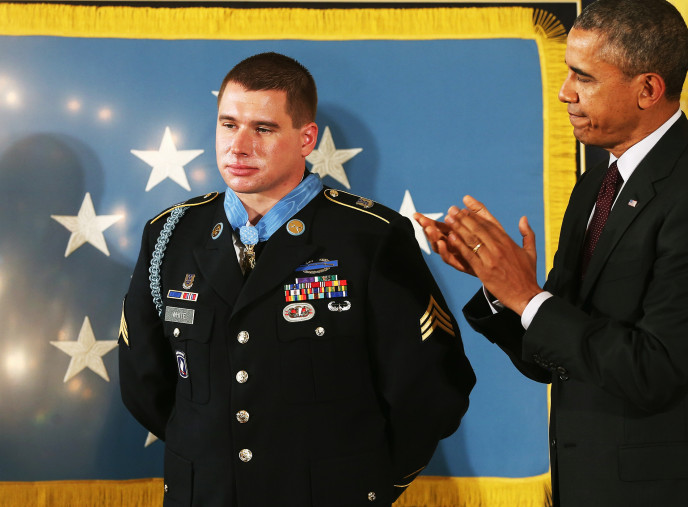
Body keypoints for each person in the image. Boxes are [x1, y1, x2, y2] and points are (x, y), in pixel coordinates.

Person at [415, 1, 688, 505]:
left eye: (585, 78)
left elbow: (653, 372)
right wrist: (502, 291)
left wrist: (528, 296)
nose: (565, 93)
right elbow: (554, 359)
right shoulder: (598, 181)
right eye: (566, 74)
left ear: (648, 89)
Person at [119, 52, 475, 506]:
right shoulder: (169, 233)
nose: (239, 146)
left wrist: (362, 482)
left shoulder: (370, 237)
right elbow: (143, 382)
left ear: (306, 139)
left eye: (263, 129)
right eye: (228, 125)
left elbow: (429, 389)